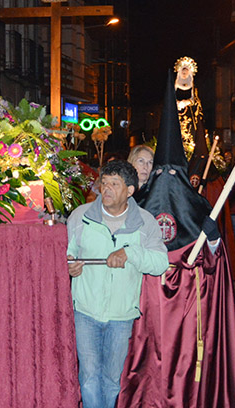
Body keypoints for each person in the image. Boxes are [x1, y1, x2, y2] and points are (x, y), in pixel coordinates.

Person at [118, 64, 235, 408]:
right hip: (146, 316)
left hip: (191, 316)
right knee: (148, 370)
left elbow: (215, 263)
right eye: (152, 169)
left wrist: (213, 236)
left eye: (169, 172)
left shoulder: (196, 206)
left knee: (188, 370)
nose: (160, 176)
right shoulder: (131, 206)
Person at [67, 160, 168, 408]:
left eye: (114, 184)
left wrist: (130, 253)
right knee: (89, 377)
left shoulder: (145, 222)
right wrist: (69, 266)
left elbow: (160, 263)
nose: (107, 189)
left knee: (111, 380)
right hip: (85, 310)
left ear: (130, 190)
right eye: (104, 183)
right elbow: (66, 254)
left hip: (121, 315)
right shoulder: (80, 216)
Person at [172, 57, 208, 187]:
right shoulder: (174, 85)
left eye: (187, 71)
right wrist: (177, 104)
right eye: (183, 70)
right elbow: (169, 101)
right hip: (177, 115)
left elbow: (196, 101)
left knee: (191, 133)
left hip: (189, 116)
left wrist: (187, 102)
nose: (184, 73)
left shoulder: (193, 86)